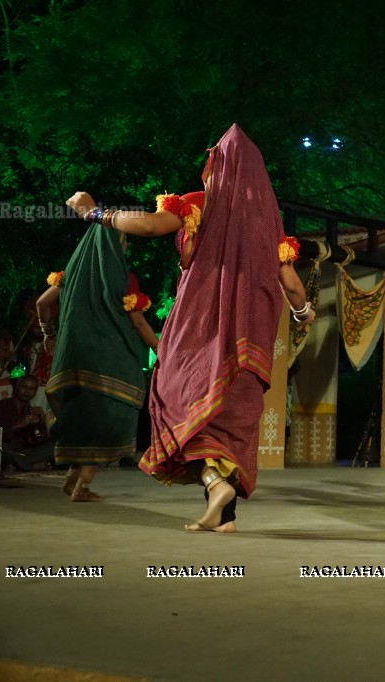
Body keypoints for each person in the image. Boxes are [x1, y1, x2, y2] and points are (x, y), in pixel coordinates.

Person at [66, 124, 313, 532]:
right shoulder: (271, 227)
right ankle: (225, 516)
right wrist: (304, 315)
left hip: (200, 330)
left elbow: (146, 225)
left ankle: (215, 483)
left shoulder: (197, 205)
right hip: (252, 340)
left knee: (177, 400)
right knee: (227, 420)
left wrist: (94, 212)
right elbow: (291, 285)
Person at [37, 238, 158, 501]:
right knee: (103, 422)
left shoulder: (70, 275)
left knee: (81, 419)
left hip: (73, 361)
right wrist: (162, 349)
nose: (125, 248)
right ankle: (82, 488)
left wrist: (48, 333)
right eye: (124, 243)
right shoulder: (124, 279)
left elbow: (42, 304)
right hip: (109, 364)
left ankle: (72, 480)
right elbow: (138, 322)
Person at [0, 374, 51, 471]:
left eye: (32, 389)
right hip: (6, 451)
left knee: (56, 445)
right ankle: (30, 466)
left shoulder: (33, 411)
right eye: (24, 387)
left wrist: (43, 421)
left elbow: (39, 441)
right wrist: (19, 424)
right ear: (17, 386)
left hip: (25, 453)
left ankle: (16, 465)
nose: (27, 391)